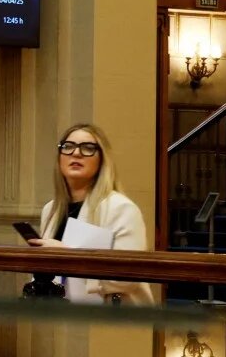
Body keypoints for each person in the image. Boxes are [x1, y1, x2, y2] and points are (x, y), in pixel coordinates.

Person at [24, 123, 154, 305]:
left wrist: (68, 258)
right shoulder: (51, 209)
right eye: (68, 147)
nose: (76, 153)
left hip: (110, 321)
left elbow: (127, 278)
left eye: (87, 148)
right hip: (62, 317)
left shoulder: (121, 208)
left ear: (102, 160)